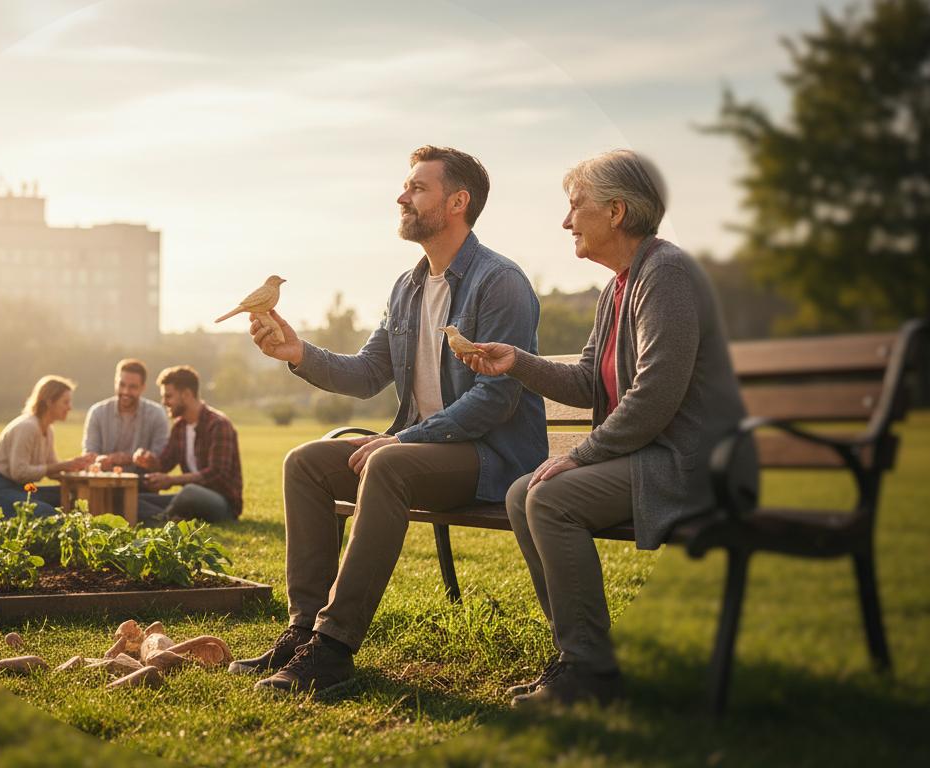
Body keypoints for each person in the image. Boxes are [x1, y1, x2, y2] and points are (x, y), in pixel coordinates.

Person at [235, 146, 547, 695]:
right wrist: (296, 352)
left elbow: (495, 400)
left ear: (458, 201)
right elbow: (365, 374)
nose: (402, 197)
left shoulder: (500, 283)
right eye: (406, 187)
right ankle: (303, 630)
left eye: (417, 188)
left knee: (389, 465)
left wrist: (400, 439)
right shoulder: (407, 288)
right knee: (306, 462)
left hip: (491, 459)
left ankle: (333, 649)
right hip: (424, 450)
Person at [459, 149, 753, 707]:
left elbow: (656, 394)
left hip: (696, 465)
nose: (566, 221)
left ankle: (589, 673)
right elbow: (590, 384)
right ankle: (579, 656)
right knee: (525, 492)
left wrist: (583, 454)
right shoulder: (619, 285)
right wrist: (515, 361)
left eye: (576, 206)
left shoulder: (665, 274)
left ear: (616, 212)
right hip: (656, 455)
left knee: (549, 497)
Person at [132, 365, 243, 524]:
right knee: (135, 500)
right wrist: (149, 460)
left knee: (189, 492)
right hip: (189, 500)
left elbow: (217, 474)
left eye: (168, 396)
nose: (164, 402)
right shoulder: (180, 427)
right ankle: (172, 519)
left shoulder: (218, 424)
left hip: (222, 504)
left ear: (186, 394)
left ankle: (163, 520)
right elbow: (164, 463)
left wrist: (171, 480)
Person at [0, 375, 97, 516]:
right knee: (46, 513)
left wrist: (77, 468)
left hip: (20, 490)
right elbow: (19, 472)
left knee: (74, 495)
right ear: (49, 402)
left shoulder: (47, 429)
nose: (70, 407)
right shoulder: (27, 427)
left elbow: (53, 469)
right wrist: (63, 466)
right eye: (65, 402)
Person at [82, 358, 169, 473]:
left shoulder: (157, 414)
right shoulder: (97, 412)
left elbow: (160, 461)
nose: (126, 391)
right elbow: (89, 455)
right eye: (121, 385)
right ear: (115, 383)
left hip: (142, 487)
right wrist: (101, 461)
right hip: (102, 485)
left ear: (143, 387)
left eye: (133, 387)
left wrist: (141, 459)